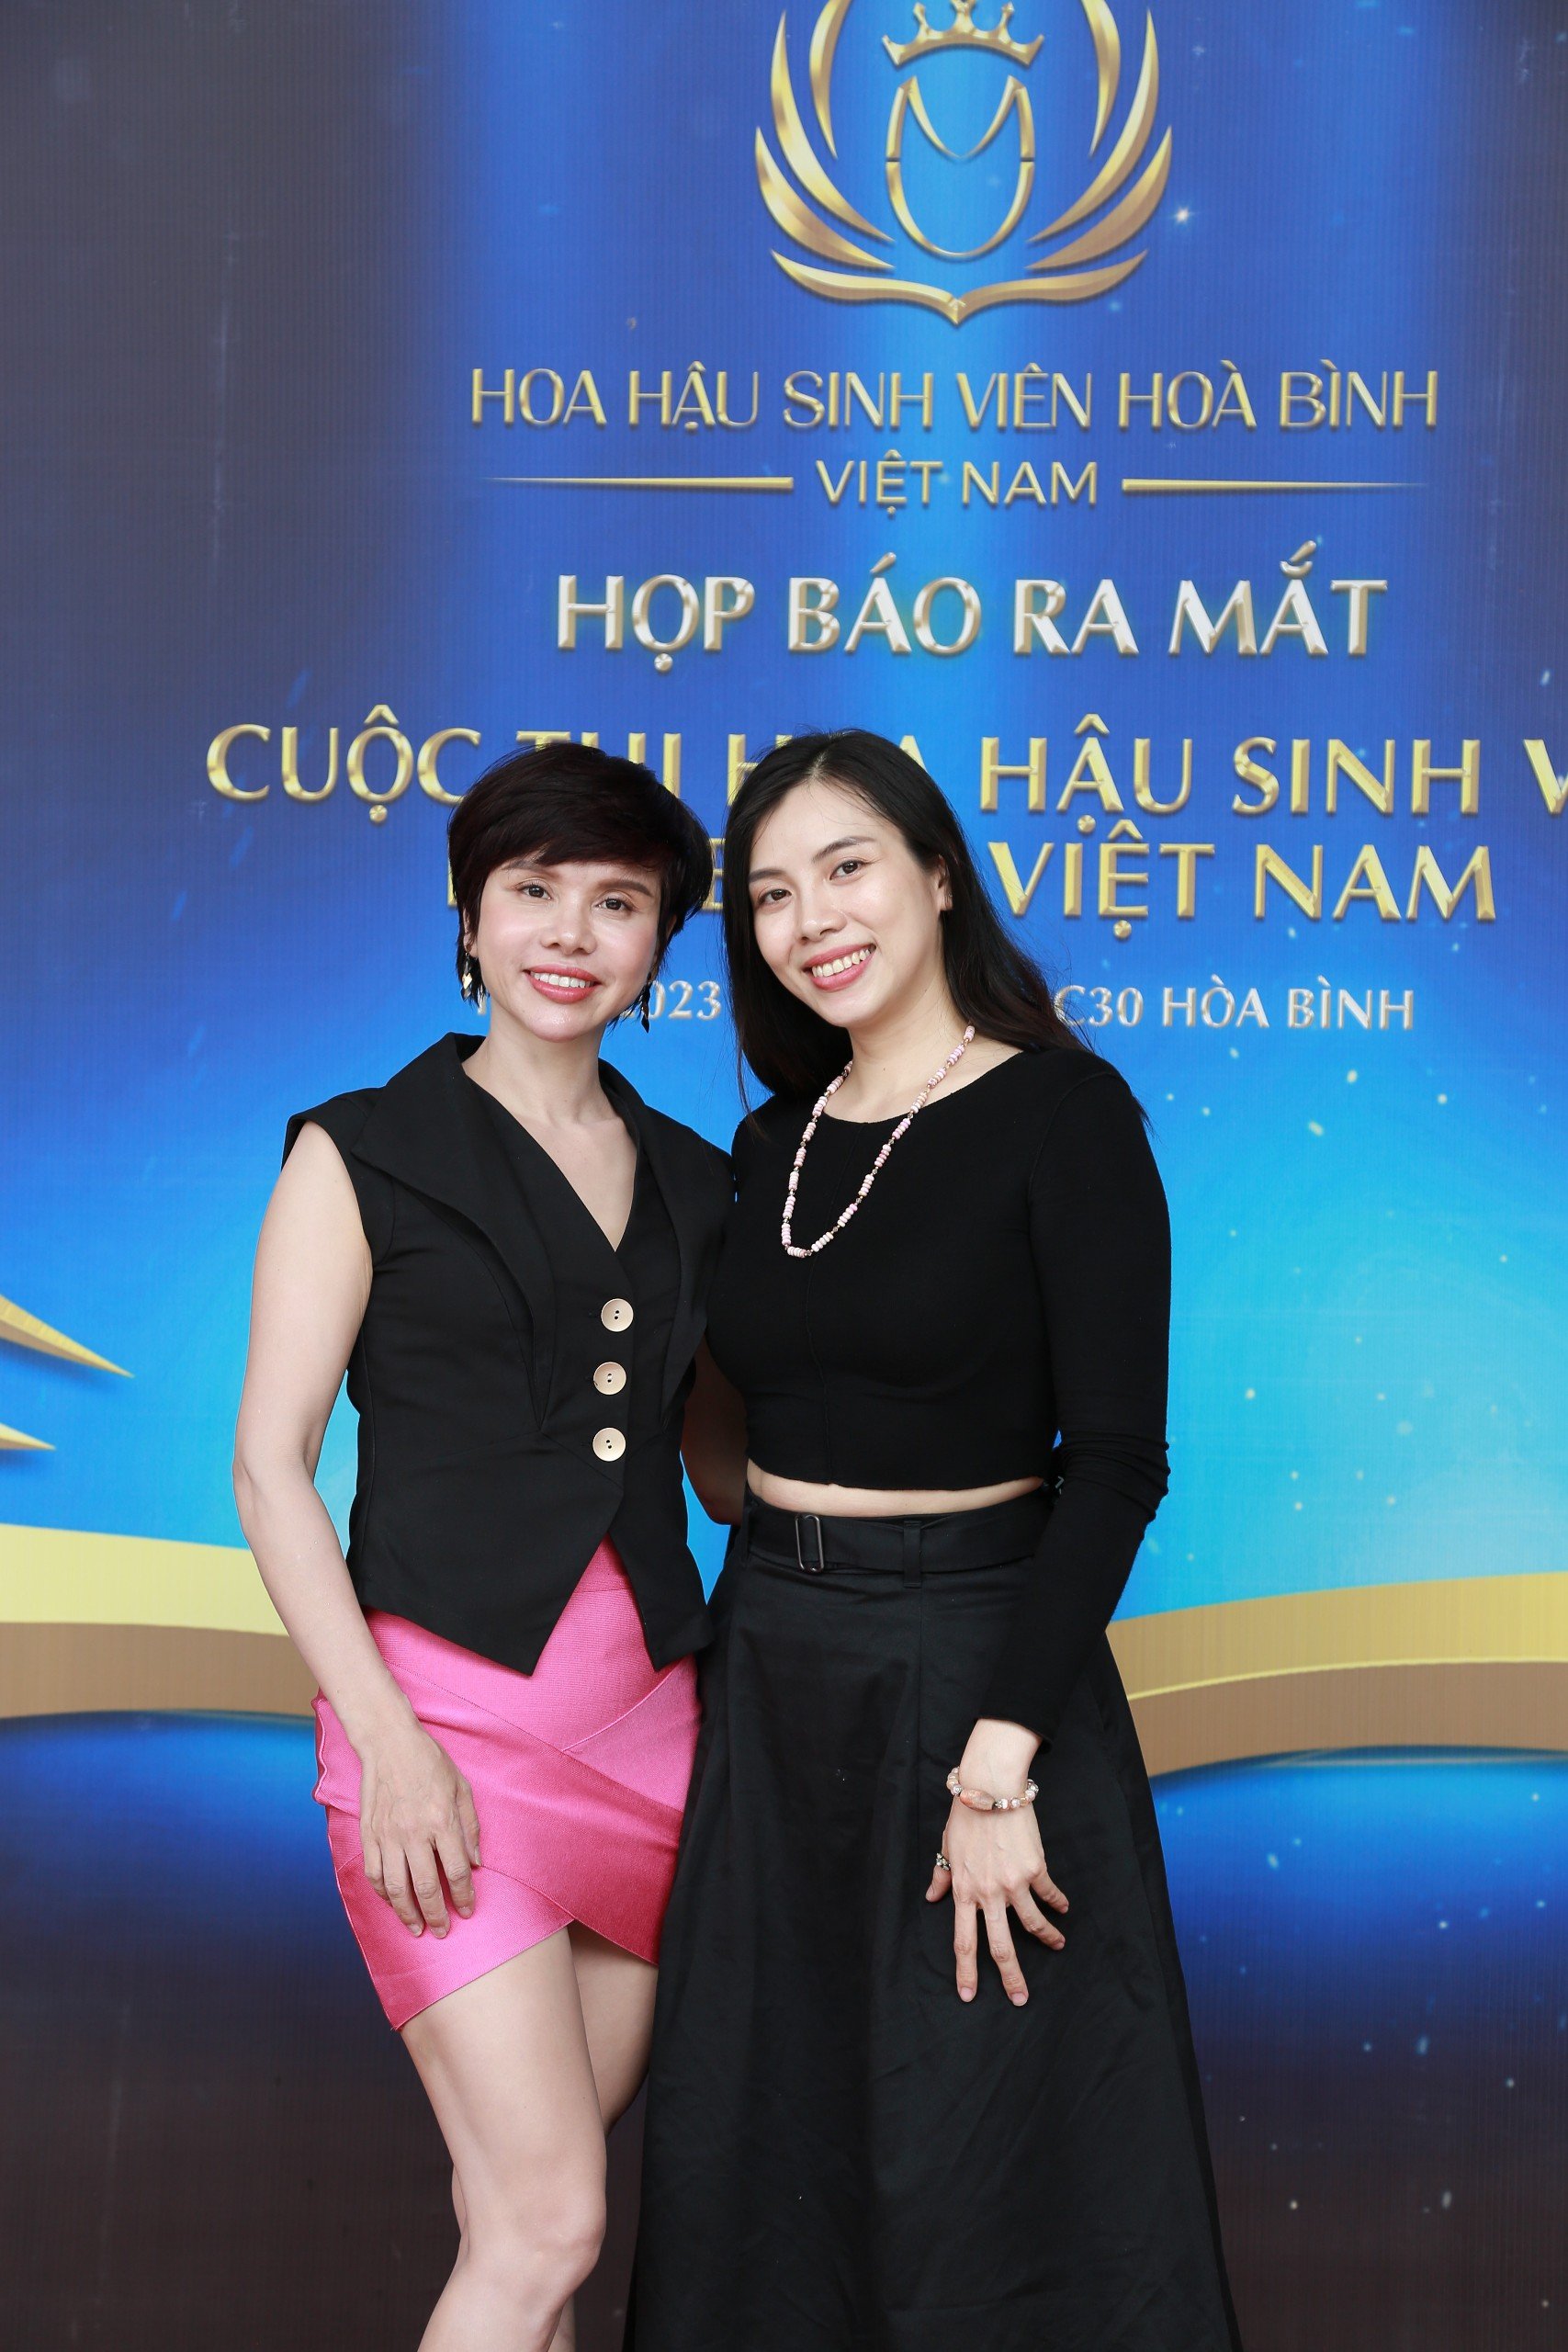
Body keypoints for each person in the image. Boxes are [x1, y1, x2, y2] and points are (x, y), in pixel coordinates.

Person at [637, 730, 1246, 2350]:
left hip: (980, 1676)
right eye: (772, 895)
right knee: (768, 2147)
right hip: (773, 1666)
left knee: (990, 2165)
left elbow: (1115, 1467)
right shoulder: (774, 1141)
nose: (812, 919)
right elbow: (730, 1459)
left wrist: (997, 1767)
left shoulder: (1063, 1110)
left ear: (937, 876)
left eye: (847, 869)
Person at [232, 742, 731, 2352]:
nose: (571, 933)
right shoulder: (360, 1149)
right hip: (439, 1736)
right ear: (469, 913)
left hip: (653, 1741)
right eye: (533, 890)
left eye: (619, 902)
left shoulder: (704, 1181)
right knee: (550, 2219)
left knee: (523, 2226)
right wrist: (388, 1745)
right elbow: (270, 1472)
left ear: (663, 941)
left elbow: (727, 1475)